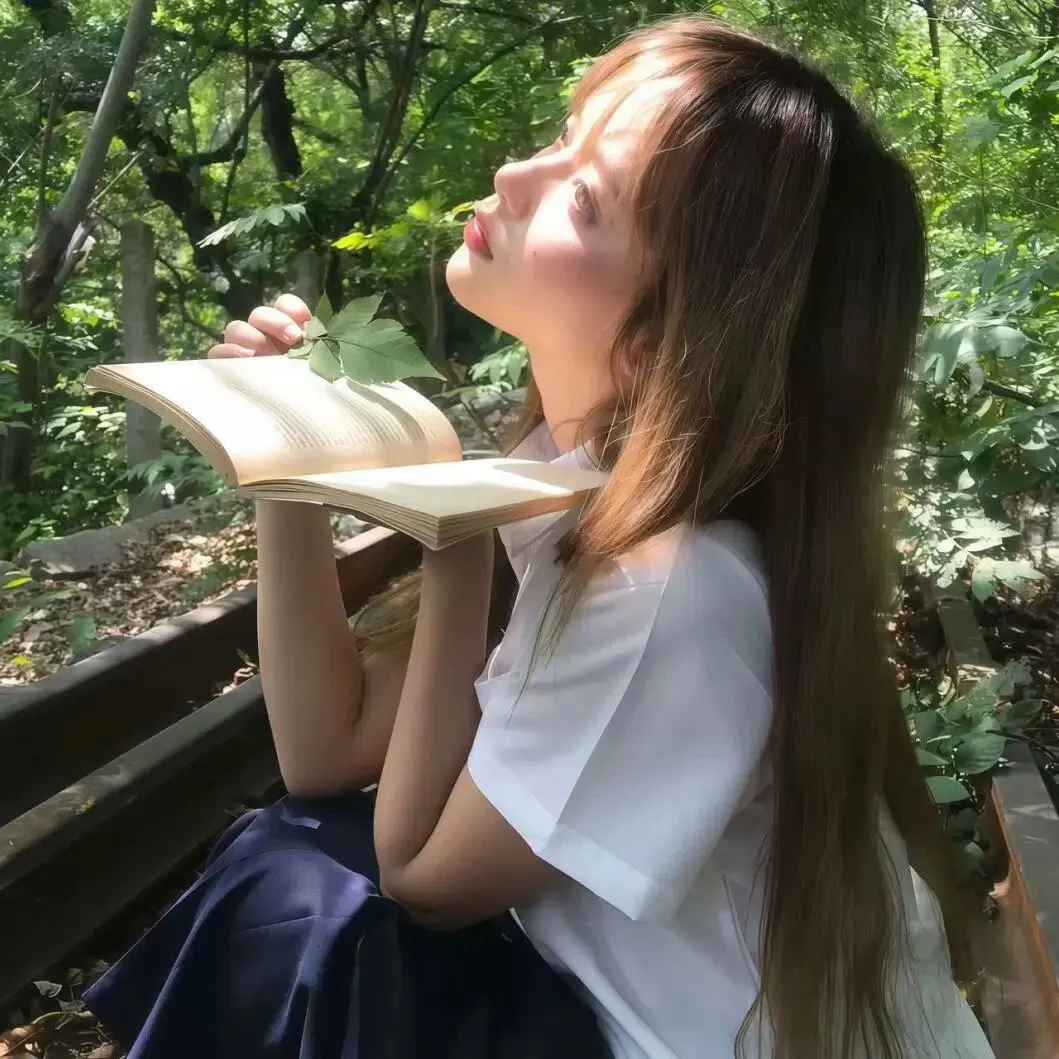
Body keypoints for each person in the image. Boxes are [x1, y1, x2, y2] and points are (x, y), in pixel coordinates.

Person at [85, 15, 996, 1059]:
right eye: (562, 136)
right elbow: (326, 753)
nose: (515, 174)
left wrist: (455, 537)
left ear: (661, 341)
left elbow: (422, 879)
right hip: (579, 1010)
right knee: (298, 854)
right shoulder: (574, 497)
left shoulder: (668, 585)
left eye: (584, 196)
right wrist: (285, 460)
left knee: (297, 889)